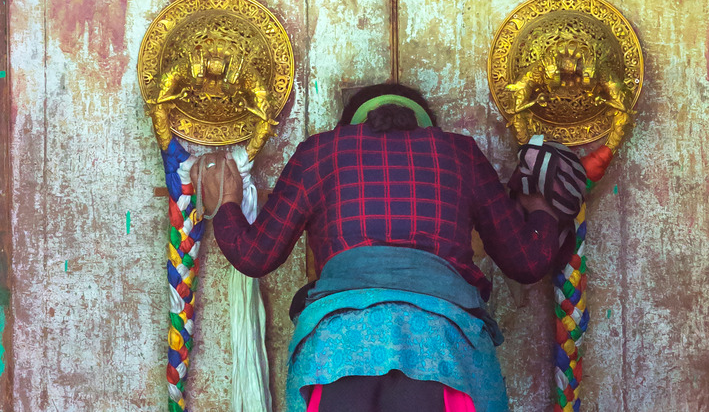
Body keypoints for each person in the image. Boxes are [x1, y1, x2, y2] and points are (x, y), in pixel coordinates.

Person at [192, 84, 586, 412]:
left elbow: (254, 256)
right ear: (426, 129)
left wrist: (226, 203)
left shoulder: (320, 152)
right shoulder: (460, 154)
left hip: (337, 352)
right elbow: (528, 262)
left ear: (348, 128)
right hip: (442, 350)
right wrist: (540, 211)